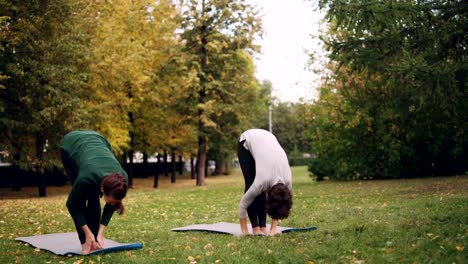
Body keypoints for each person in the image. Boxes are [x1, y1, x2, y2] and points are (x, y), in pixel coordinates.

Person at [59, 130, 128, 254]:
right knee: (82, 197)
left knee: (93, 197)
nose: (112, 204)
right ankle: (86, 242)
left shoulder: (123, 179)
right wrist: (87, 233)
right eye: (110, 201)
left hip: (99, 140)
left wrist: (100, 234)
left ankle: (95, 240)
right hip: (71, 145)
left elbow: (112, 204)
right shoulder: (86, 177)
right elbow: (72, 205)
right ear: (102, 189)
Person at [237, 128, 293, 235]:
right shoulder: (262, 181)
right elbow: (243, 205)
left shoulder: (288, 184)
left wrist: (273, 229)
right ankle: (255, 227)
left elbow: (280, 205)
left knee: (261, 189)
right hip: (248, 140)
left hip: (268, 139)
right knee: (251, 184)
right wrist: (244, 230)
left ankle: (263, 227)